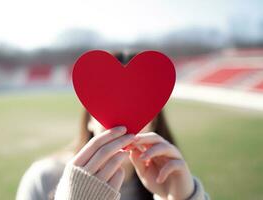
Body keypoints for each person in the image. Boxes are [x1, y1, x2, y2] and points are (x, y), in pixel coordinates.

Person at [16, 52, 209, 200]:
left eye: (138, 106)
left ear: (155, 121)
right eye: (108, 103)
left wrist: (185, 198)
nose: (125, 121)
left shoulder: (171, 181)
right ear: (89, 121)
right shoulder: (43, 178)